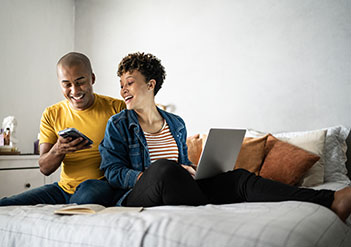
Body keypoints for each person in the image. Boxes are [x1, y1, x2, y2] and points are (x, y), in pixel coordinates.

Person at [99, 52, 351, 222]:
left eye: (129, 82)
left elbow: (183, 161)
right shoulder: (118, 124)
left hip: (176, 187)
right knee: (164, 169)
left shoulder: (175, 123)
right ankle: (213, 206)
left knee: (238, 178)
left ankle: (330, 199)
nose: (123, 89)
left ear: (150, 84)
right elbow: (111, 171)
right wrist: (146, 174)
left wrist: (190, 169)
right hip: (136, 196)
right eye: (121, 83)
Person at [0, 52, 126, 206]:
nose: (74, 90)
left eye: (80, 82)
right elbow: (45, 168)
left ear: (92, 79)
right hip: (63, 188)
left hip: (99, 185)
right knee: (7, 204)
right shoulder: (51, 114)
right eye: (67, 84)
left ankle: (71, 209)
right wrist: (58, 149)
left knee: (84, 198)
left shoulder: (117, 108)